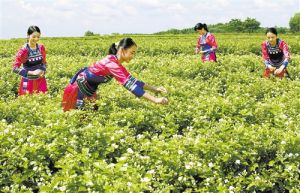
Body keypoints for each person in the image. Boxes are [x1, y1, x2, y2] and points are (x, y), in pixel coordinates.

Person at [62, 37, 168, 112]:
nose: (133, 56)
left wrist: (155, 89)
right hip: (77, 90)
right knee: (78, 118)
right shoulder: (112, 64)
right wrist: (155, 100)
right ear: (122, 50)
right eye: (132, 52)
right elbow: (130, 86)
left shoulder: (116, 63)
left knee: (90, 116)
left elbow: (133, 81)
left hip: (88, 90)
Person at [13, 26, 48, 96]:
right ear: (28, 35)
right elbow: (15, 68)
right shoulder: (24, 50)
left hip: (40, 80)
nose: (36, 39)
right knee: (27, 100)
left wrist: (43, 70)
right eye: (34, 37)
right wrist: (32, 72)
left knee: (42, 99)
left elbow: (44, 63)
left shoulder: (41, 48)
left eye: (38, 37)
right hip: (28, 81)